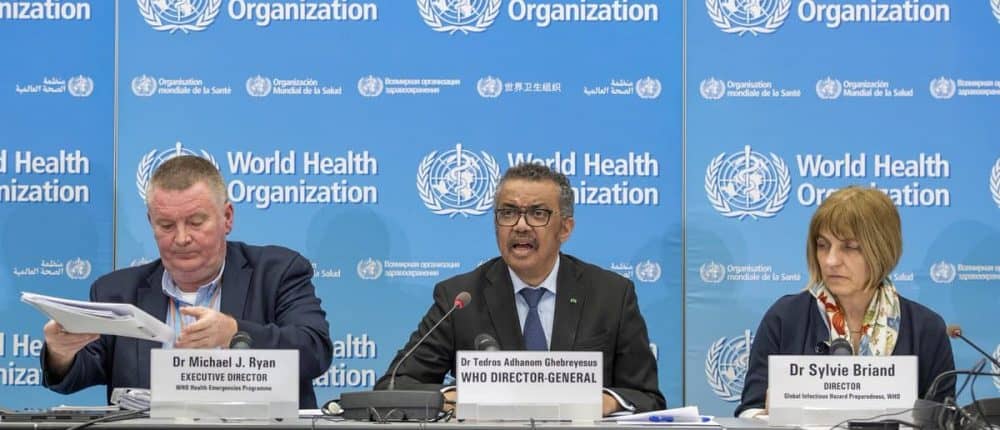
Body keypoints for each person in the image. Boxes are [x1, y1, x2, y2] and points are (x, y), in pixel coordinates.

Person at [40, 155, 333, 408]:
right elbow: (77, 373)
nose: (181, 238)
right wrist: (61, 352)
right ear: (151, 223)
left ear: (227, 217)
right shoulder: (117, 292)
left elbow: (314, 351)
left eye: (195, 222)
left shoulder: (277, 272)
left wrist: (234, 334)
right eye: (166, 225)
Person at [375, 163, 664, 415]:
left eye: (537, 214)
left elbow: (647, 397)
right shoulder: (461, 297)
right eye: (508, 213)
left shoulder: (611, 295)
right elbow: (393, 386)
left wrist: (605, 401)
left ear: (565, 228)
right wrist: (455, 396)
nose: (521, 226)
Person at [736, 186, 955, 417]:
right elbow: (748, 411)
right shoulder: (785, 317)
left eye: (850, 247)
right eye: (823, 245)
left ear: (882, 250)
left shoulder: (926, 328)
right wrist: (767, 415)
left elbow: (944, 421)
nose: (830, 261)